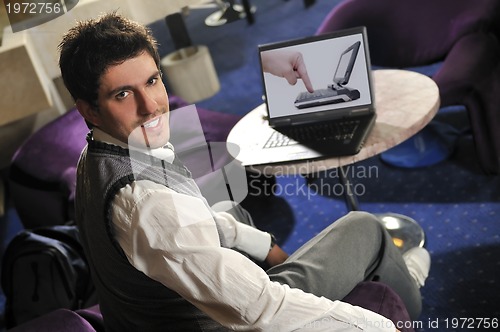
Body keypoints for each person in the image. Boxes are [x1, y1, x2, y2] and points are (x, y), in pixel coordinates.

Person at [58, 12, 430, 331]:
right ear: (88, 110)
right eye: (122, 94)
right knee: (365, 229)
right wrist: (380, 324)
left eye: (153, 81)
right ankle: (405, 286)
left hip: (153, 315)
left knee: (236, 213)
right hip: (212, 323)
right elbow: (260, 310)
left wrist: (265, 246)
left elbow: (197, 223)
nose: (151, 106)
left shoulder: (96, 156)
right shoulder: (147, 204)